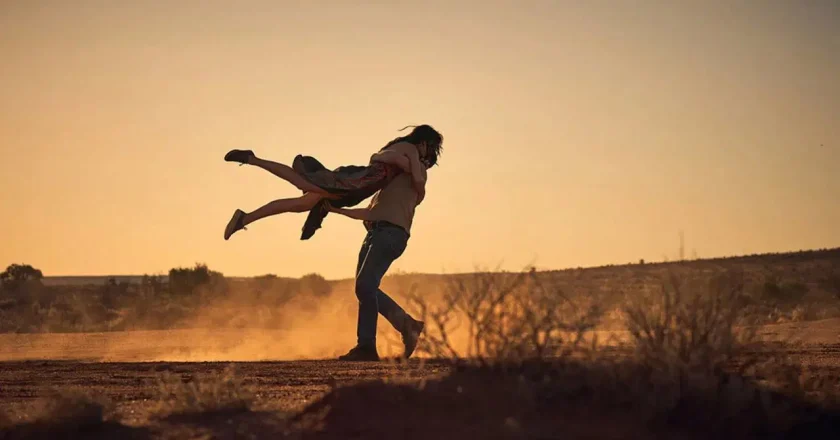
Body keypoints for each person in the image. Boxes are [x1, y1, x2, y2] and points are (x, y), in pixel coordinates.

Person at [327, 134, 442, 361]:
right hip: (375, 233)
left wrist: (388, 155)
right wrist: (334, 209)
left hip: (390, 233)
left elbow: (392, 159)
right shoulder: (389, 185)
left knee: (365, 285)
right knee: (365, 289)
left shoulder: (417, 173)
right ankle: (399, 329)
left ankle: (372, 344)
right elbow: (369, 213)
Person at [221, 125, 442, 241]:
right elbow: (417, 180)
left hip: (357, 186)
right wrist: (417, 175)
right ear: (424, 143)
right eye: (429, 152)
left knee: (300, 204)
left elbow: (382, 157)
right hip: (355, 182)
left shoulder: (401, 151)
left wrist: (387, 160)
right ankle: (252, 159)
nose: (426, 159)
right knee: (304, 183)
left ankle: (244, 218)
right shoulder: (411, 150)